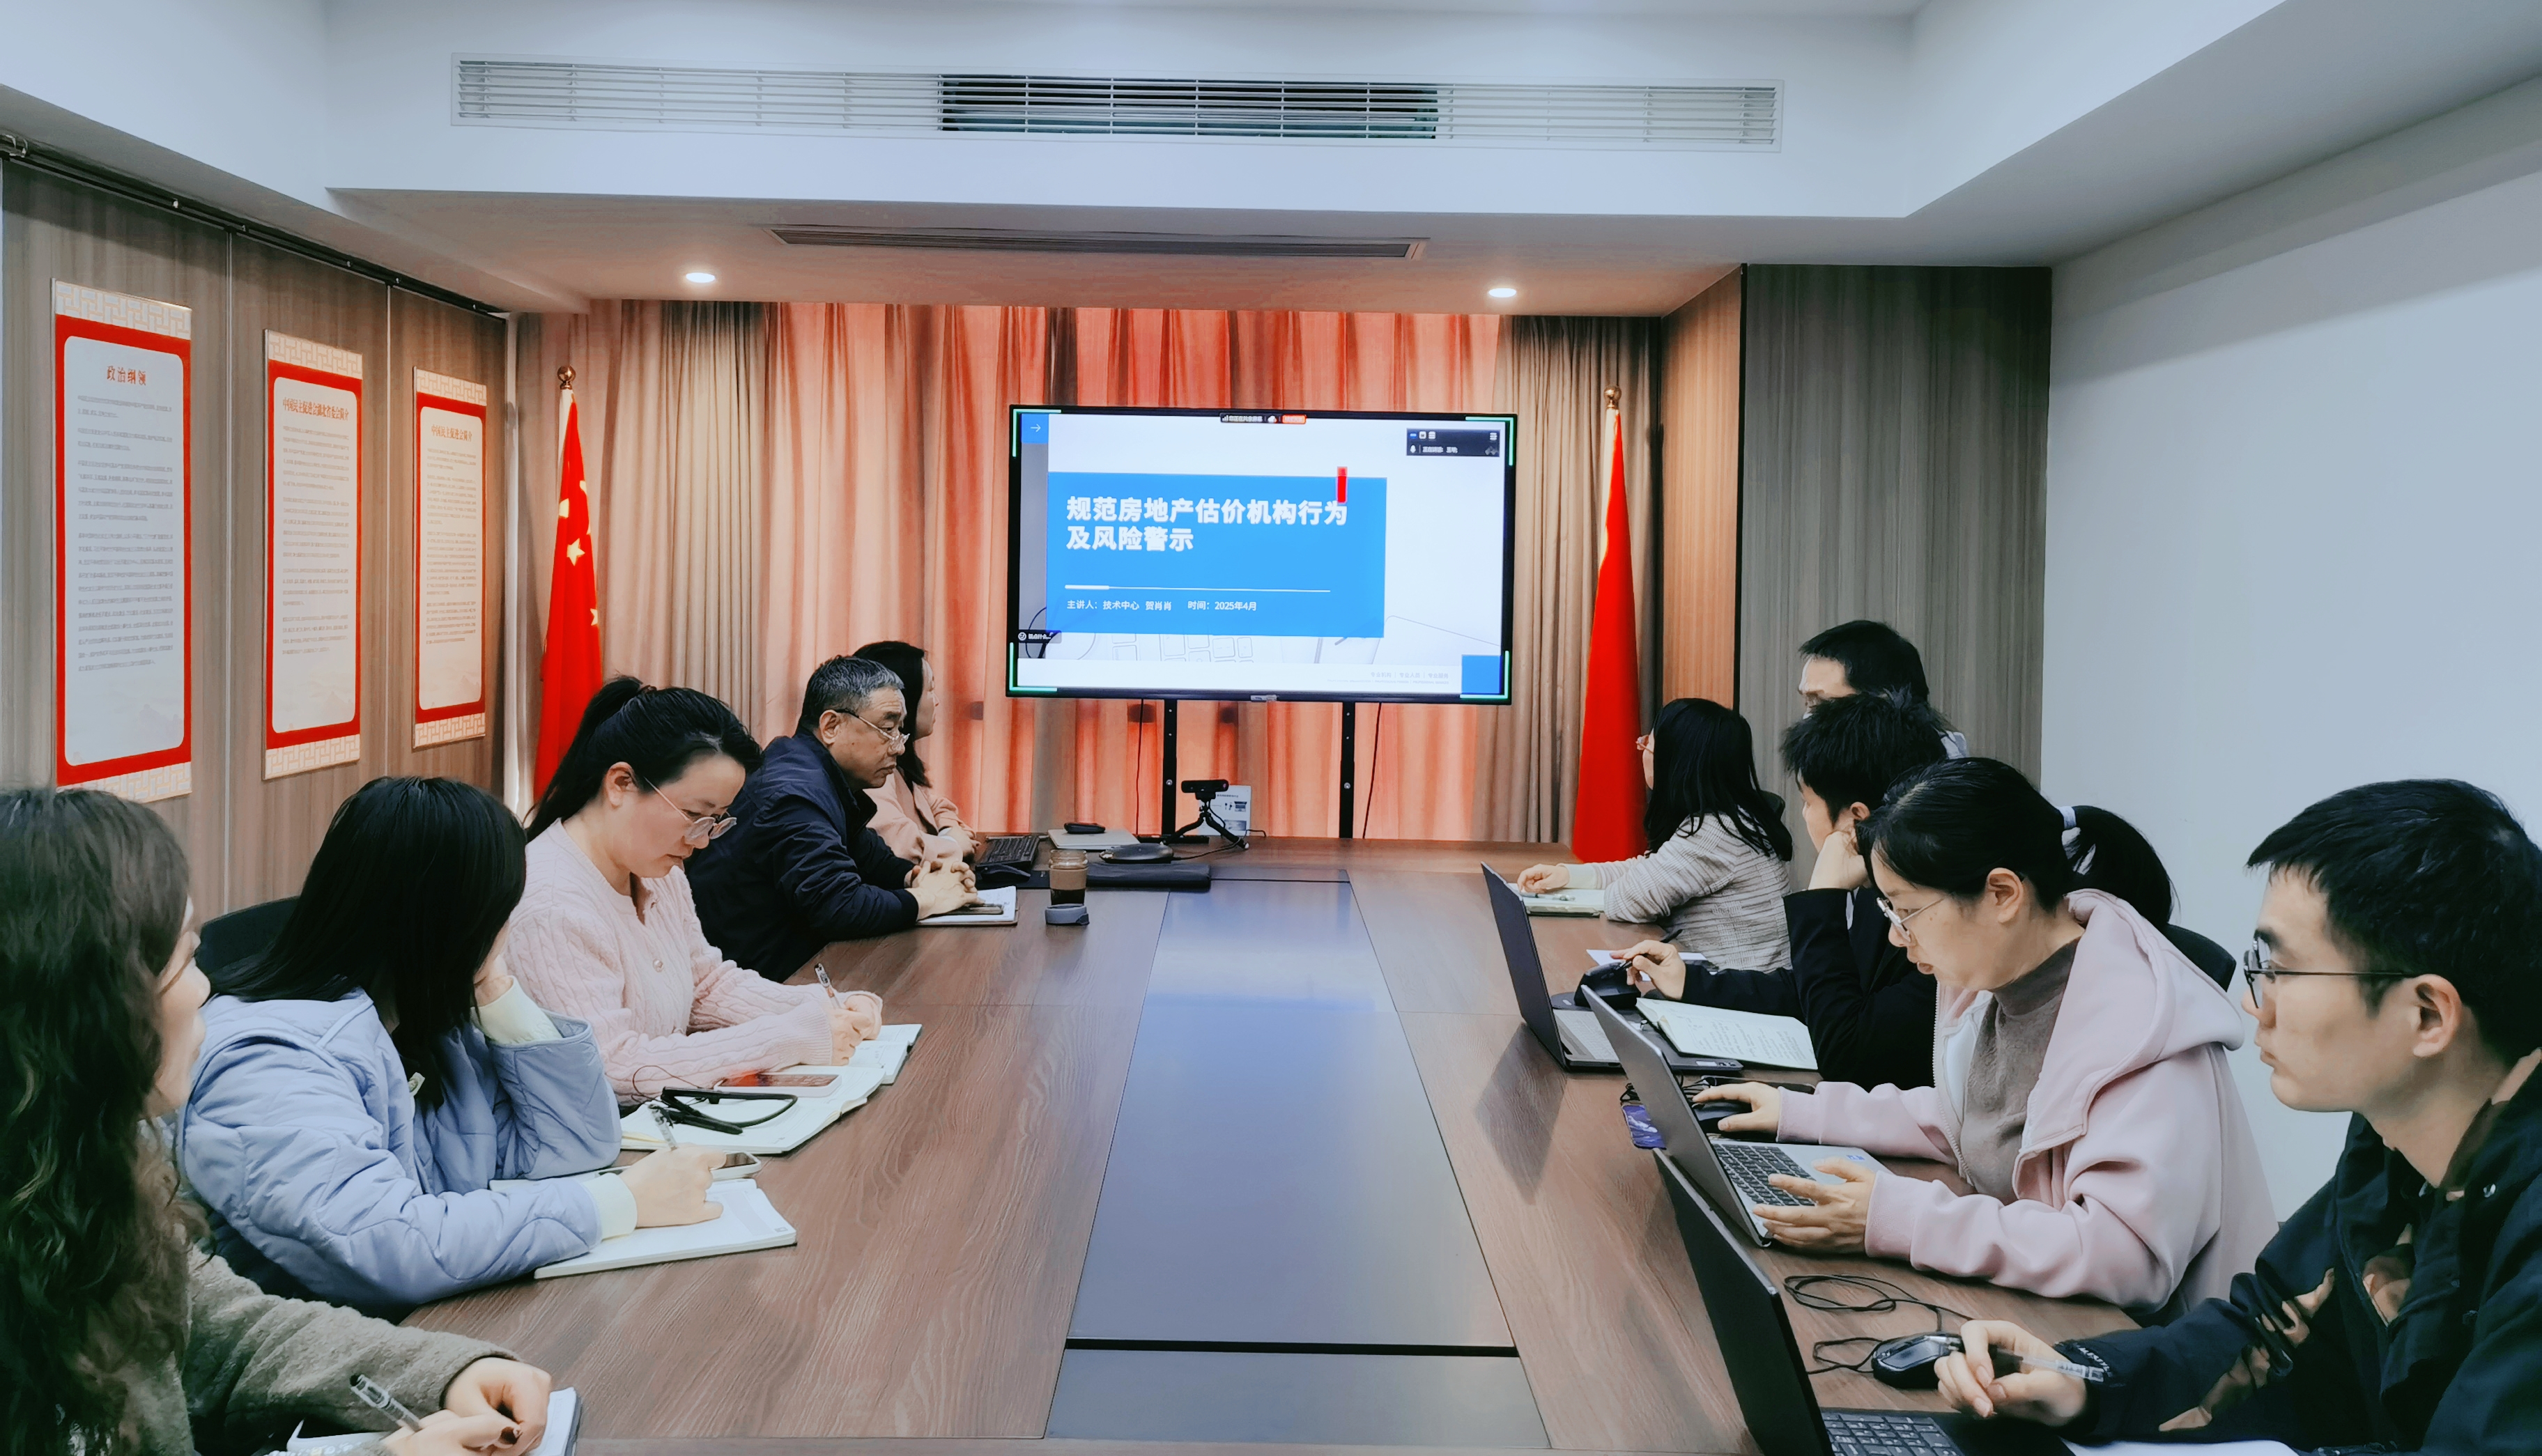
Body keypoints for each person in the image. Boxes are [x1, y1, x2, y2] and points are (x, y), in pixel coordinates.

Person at [1936, 780, 2542, 1451]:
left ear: (2427, 1015)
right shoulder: (2390, 1144)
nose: (2257, 1003)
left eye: (2283, 970)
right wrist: (2084, 1380)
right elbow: (2269, 1329)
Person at [0, 786, 555, 1455]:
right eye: (183, 959)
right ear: (80, 1004)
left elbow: (226, 1330)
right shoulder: (270, 1058)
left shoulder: (99, 1161)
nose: (206, 987)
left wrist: (442, 1374)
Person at [1695, 758, 2274, 1320]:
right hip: (2046, 1311)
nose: (1897, 937)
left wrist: (1902, 1217)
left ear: (2002, 894)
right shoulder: (1997, 984)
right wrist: (1799, 1111)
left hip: (2157, 1354)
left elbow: (2123, 1257)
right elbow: (1971, 1118)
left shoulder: (2140, 1027)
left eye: (1906, 911)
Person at [180, 777, 727, 1317]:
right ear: (450, 922)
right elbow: (387, 1246)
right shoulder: (271, 1061)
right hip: (313, 1358)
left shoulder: (428, 1022)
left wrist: (496, 989)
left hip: (428, 1325)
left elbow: (575, 1149)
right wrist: (615, 1204)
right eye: (500, 914)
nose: (507, 931)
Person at [508, 678, 886, 1100]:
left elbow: (705, 984)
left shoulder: (658, 870)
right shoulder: (552, 905)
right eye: (695, 815)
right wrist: (790, 1037)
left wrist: (825, 1008)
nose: (703, 841)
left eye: (717, 820)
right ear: (621, 784)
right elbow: (611, 1068)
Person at [1613, 690, 1950, 1089]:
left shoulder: (1931, 920)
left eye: (1808, 802)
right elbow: (1808, 990)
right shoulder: (1876, 896)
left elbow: (1846, 1055)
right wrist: (1691, 981)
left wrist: (1823, 897)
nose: (1804, 816)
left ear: (1855, 820)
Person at [688, 656, 975, 981]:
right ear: (831, 727)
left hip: (806, 967)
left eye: (900, 731)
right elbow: (840, 906)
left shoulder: (821, 775)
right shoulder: (792, 793)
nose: (898, 747)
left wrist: (917, 877)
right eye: (887, 729)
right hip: (761, 981)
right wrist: (928, 897)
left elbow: (873, 861)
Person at [1516, 699, 1794, 970]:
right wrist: (1569, 876)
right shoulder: (1732, 818)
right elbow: (1649, 870)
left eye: (1647, 743)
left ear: (1674, 760)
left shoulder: (1715, 834)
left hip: (1735, 991)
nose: (1642, 751)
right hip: (1724, 982)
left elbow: (1628, 901)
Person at [852, 640, 980, 867]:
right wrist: (952, 845)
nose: (936, 701)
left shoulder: (899, 759)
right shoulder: (872, 767)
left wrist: (948, 831)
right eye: (930, 690)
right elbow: (896, 845)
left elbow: (936, 807)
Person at [1796, 619, 1969, 757]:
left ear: (1883, 707)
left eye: (1821, 704)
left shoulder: (1942, 787)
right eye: (1808, 703)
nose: (1807, 720)